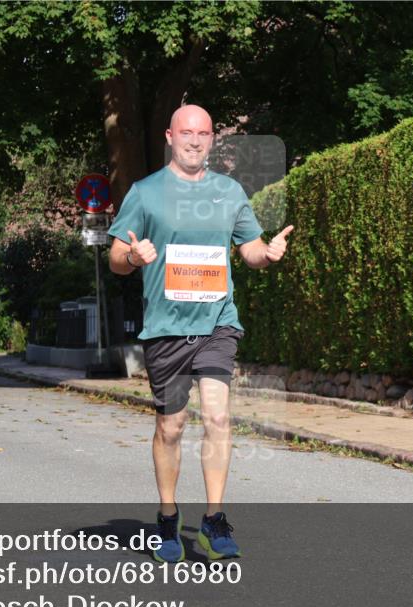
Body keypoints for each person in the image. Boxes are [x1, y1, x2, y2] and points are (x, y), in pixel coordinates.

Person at [107, 104, 293, 563]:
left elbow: (247, 249)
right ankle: (168, 518)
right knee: (171, 427)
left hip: (217, 323)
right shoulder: (145, 192)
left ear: (213, 139)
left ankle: (213, 519)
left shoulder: (229, 192)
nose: (195, 140)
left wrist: (267, 254)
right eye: (187, 132)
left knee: (218, 417)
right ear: (170, 136)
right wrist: (134, 257)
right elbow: (115, 257)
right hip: (166, 327)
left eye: (204, 133)